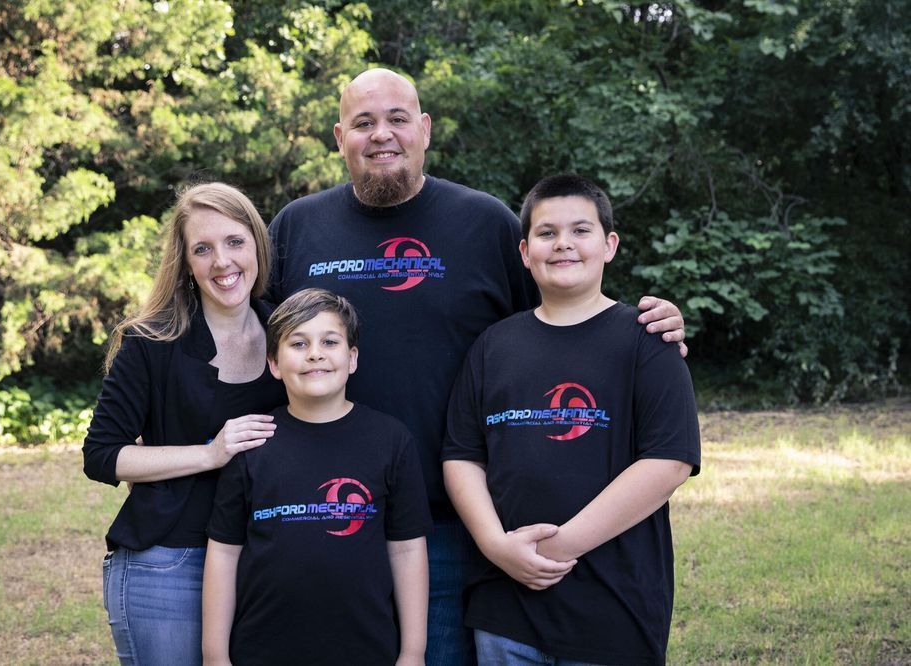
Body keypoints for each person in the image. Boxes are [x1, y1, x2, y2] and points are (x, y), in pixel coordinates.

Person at [267, 68, 688, 664]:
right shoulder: (296, 227)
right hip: (319, 514)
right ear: (339, 137)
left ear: (425, 129)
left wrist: (652, 327)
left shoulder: (485, 223)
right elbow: (251, 339)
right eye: (363, 123)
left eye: (397, 118)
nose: (381, 134)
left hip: (450, 528)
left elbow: (559, 320)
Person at [442, 174, 701, 665]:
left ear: (609, 245)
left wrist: (560, 546)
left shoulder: (647, 340)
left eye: (580, 231)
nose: (563, 244)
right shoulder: (491, 346)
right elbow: (461, 454)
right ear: (524, 251)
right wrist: (496, 546)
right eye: (546, 233)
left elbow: (668, 461)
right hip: (504, 608)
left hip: (614, 607)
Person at [82, 182, 286, 665]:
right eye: (203, 249)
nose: (222, 261)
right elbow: (102, 455)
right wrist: (210, 453)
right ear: (186, 263)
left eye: (235, 242)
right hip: (169, 564)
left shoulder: (289, 334)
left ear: (257, 242)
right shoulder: (151, 341)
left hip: (263, 564)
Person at [202, 288, 432, 665]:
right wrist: (214, 656)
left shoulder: (391, 441)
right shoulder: (253, 442)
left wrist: (413, 651)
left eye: (329, 341)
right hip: (262, 650)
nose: (315, 354)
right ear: (274, 363)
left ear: (352, 357)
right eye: (298, 343)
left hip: (367, 650)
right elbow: (225, 553)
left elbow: (407, 549)